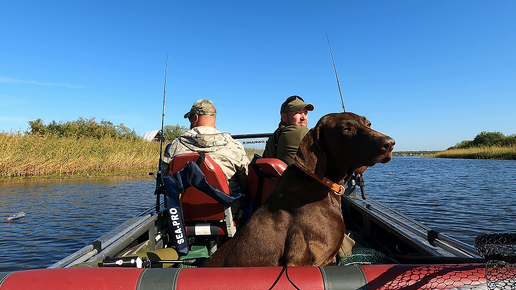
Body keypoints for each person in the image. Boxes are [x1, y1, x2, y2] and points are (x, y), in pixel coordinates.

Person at [162, 98, 249, 193]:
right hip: (227, 206)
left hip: (183, 207)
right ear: (214, 118)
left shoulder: (174, 146)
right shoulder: (235, 146)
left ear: (195, 118)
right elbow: (246, 181)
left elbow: (165, 179)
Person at [262, 95, 314, 165]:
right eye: (297, 113)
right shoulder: (300, 132)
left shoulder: (274, 137)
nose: (303, 117)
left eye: (305, 113)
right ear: (284, 117)